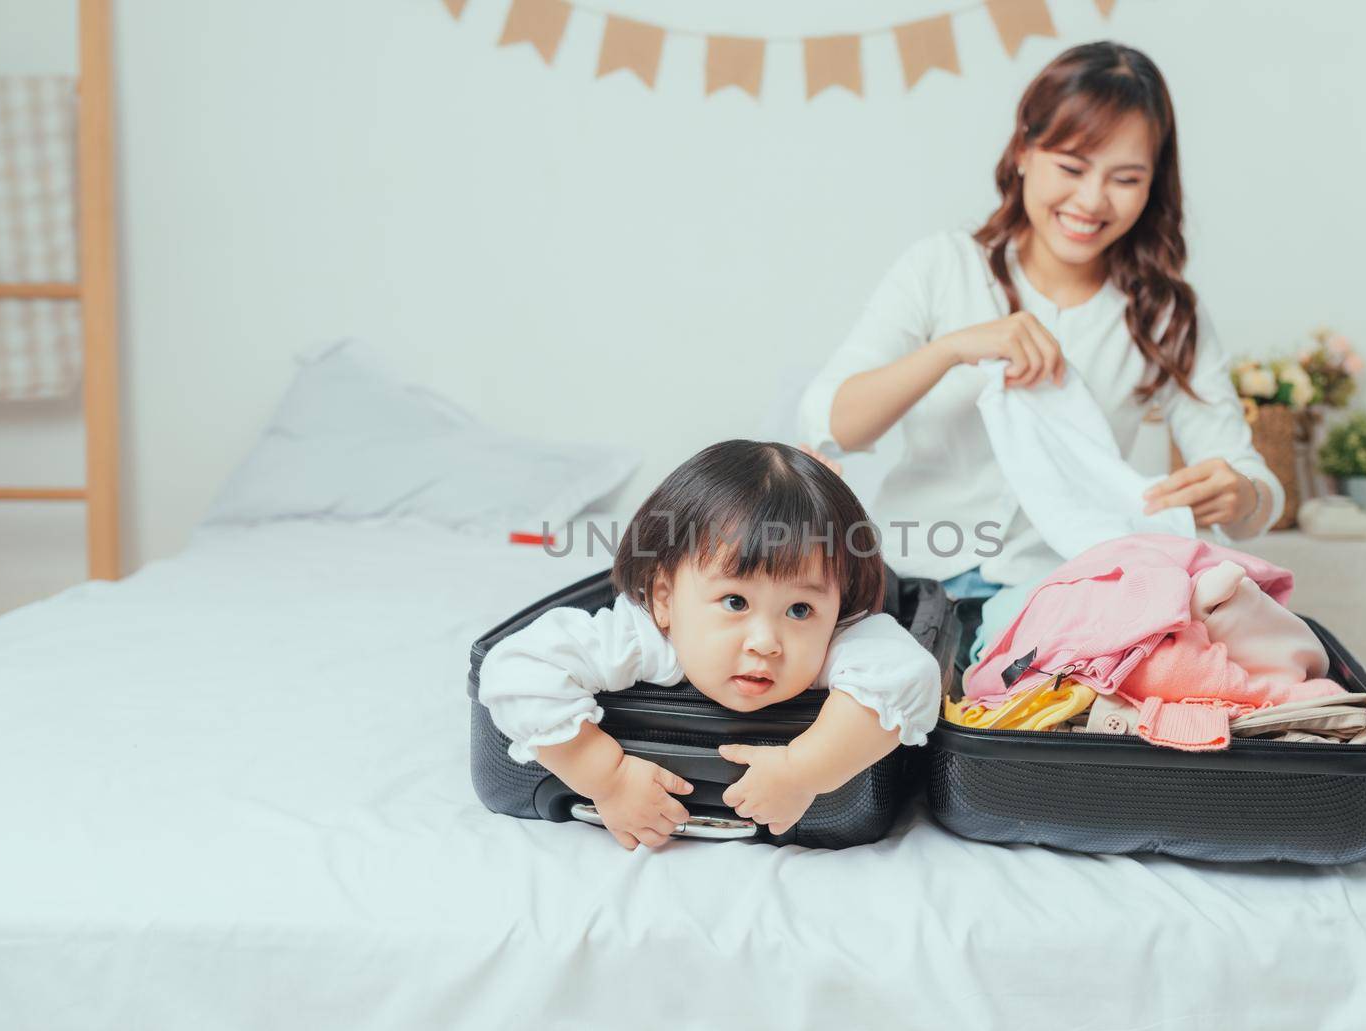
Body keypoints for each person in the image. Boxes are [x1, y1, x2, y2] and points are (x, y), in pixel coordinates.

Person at [796, 41, 1283, 661]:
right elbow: (827, 423)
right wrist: (951, 349)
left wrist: (1242, 495)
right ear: (1024, 151)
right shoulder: (943, 269)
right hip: (904, 580)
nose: (1092, 201)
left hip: (1058, 600)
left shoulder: (1165, 315)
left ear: (1154, 182)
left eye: (1126, 178)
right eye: (1073, 168)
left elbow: (1255, 488)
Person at [477, 440, 942, 851]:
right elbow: (516, 669)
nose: (765, 643)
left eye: (799, 610)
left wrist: (804, 770)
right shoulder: (643, 634)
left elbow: (910, 675)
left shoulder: (837, 640)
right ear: (664, 600)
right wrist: (606, 776)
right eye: (735, 601)